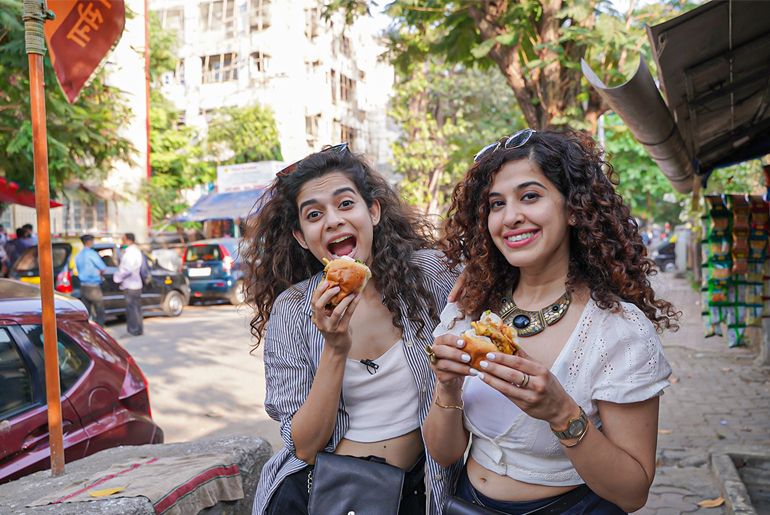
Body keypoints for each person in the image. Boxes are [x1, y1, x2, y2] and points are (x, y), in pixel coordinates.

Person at [423, 129, 680, 515]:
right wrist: (448, 387)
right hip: (468, 504)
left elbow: (632, 493)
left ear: (574, 208)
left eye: (530, 196)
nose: (510, 217)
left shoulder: (619, 330)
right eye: (496, 204)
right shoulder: (468, 310)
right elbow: (444, 454)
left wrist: (561, 412)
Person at [243, 143, 463, 515]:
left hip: (415, 492)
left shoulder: (431, 275)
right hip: (326, 493)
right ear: (301, 237)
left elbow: (499, 281)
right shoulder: (294, 311)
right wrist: (335, 347)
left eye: (345, 204)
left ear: (373, 211)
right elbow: (305, 446)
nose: (332, 220)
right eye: (314, 214)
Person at [114, 233, 144, 337]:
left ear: (129, 241)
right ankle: (138, 329)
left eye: (123, 240)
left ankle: (133, 331)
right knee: (136, 308)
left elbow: (129, 269)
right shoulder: (135, 251)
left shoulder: (131, 252)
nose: (122, 242)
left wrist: (118, 277)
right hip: (135, 284)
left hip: (131, 284)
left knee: (132, 309)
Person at [75, 235, 107, 327]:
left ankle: (88, 329)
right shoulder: (92, 254)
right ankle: (100, 328)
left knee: (86, 311)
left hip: (83, 286)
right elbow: (103, 268)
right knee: (99, 309)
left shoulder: (78, 256)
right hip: (93, 286)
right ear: (89, 242)